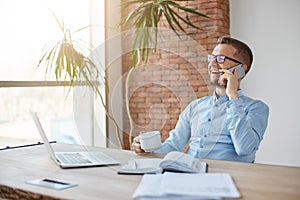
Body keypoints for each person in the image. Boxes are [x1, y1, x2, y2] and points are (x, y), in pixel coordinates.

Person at [132, 36, 269, 163]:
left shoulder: (256, 108)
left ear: (241, 69)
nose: (212, 64)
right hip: (190, 175)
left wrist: (233, 96)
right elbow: (174, 145)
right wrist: (147, 150)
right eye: (212, 58)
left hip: (228, 180)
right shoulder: (195, 107)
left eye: (221, 59)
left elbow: (245, 149)